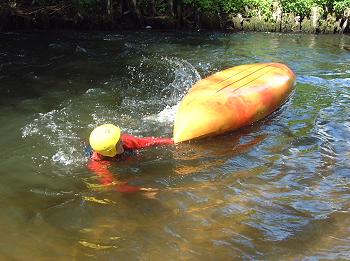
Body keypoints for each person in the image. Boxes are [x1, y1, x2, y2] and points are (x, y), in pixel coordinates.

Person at [86, 124, 174, 193]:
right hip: (109, 157)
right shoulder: (97, 164)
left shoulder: (125, 140)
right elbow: (115, 185)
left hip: (114, 152)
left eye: (119, 138)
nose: (122, 140)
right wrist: (142, 190)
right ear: (111, 151)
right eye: (119, 142)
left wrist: (171, 141)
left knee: (138, 157)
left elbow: (148, 142)